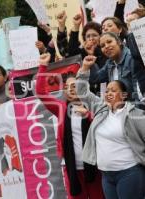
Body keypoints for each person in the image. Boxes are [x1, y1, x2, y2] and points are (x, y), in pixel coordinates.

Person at [76, 52, 145, 199]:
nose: (108, 93)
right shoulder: (100, 108)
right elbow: (83, 91)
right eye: (107, 90)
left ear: (124, 95)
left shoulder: (135, 114)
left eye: (113, 90)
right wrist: (84, 69)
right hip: (106, 176)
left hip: (130, 173)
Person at [36, 53, 104, 199]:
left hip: (96, 166)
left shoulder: (94, 105)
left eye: (74, 86)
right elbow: (41, 92)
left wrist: (88, 115)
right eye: (67, 87)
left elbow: (104, 129)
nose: (71, 89)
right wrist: (43, 66)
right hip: (73, 169)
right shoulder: (61, 108)